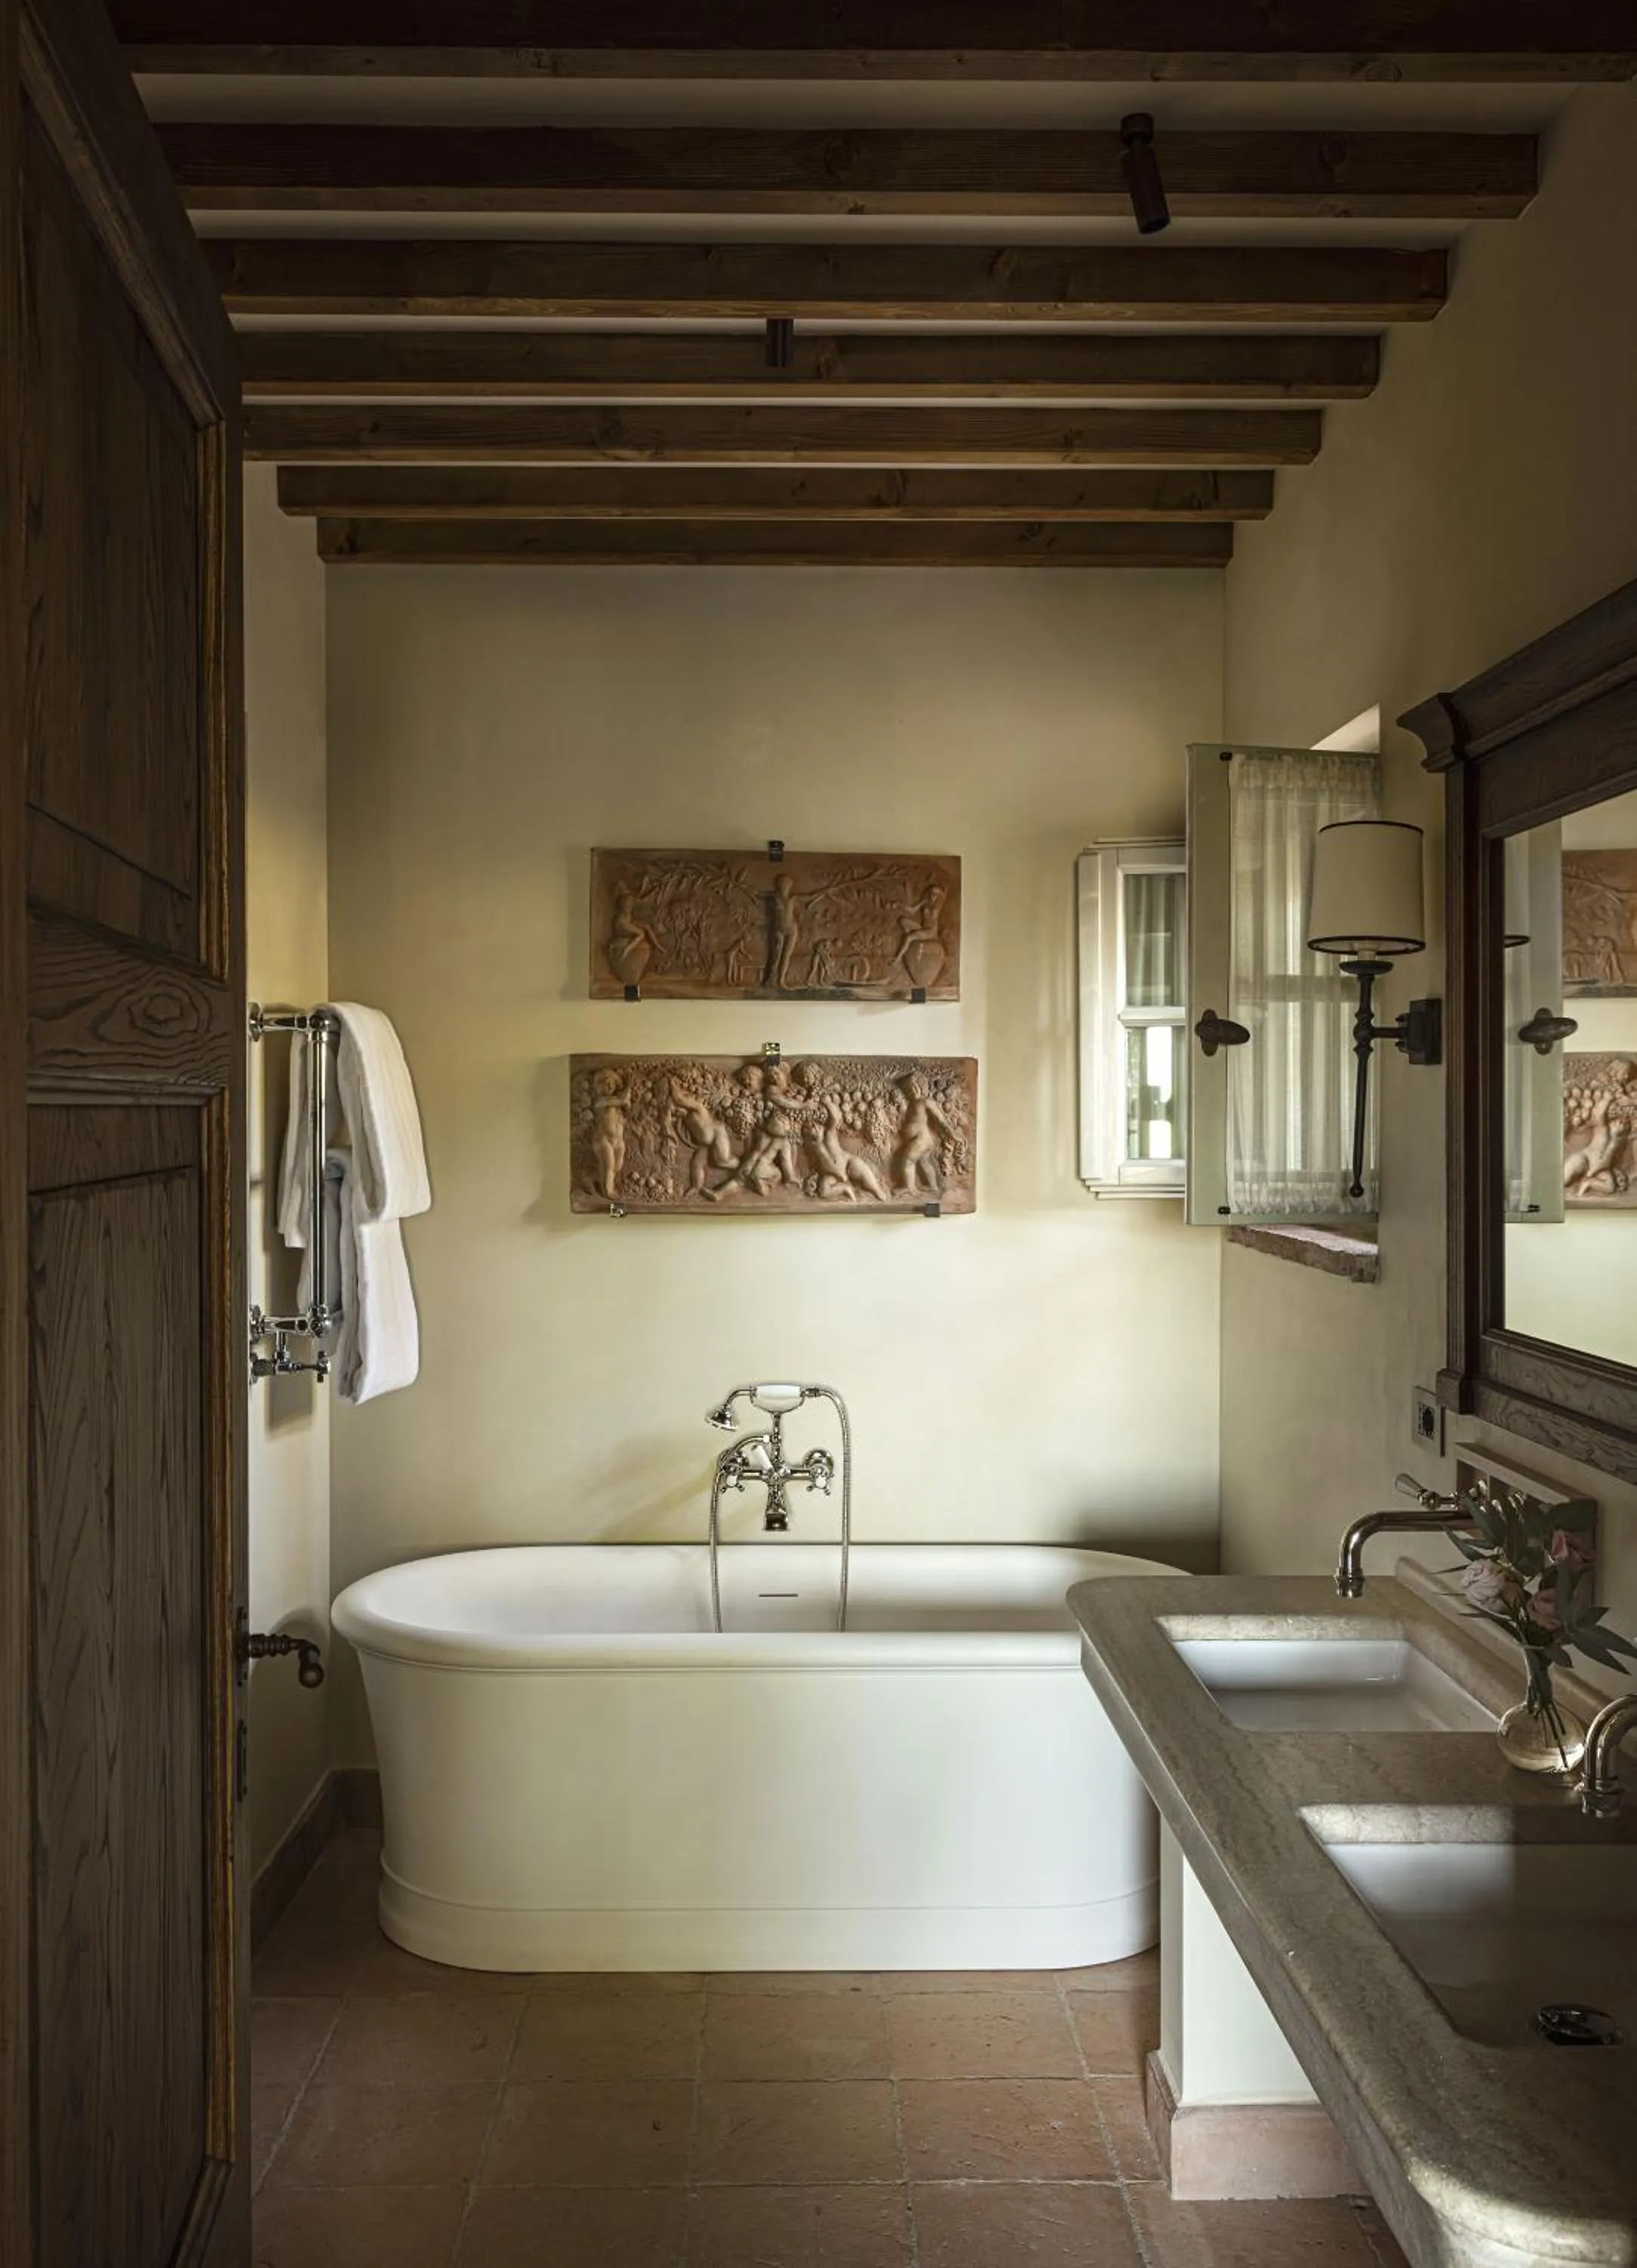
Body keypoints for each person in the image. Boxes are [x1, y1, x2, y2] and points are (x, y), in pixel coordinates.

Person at [896, 1071, 955, 1194]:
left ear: (922, 1086)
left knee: (908, 1161)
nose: (912, 1091)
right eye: (908, 1090)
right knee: (925, 1162)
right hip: (922, 1140)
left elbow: (940, 1119)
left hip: (921, 1139)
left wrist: (951, 1131)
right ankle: (933, 1186)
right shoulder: (912, 1104)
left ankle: (910, 1188)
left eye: (915, 1087)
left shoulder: (925, 1102)